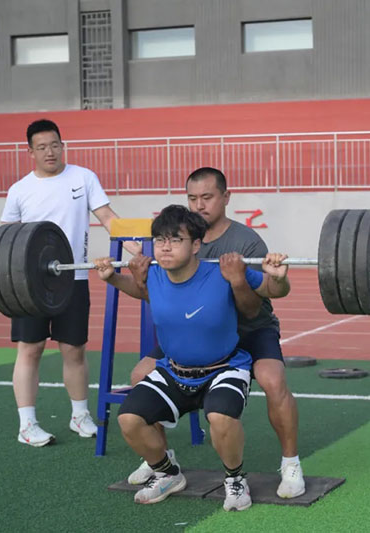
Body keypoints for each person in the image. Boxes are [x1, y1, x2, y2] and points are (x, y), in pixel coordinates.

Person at [93, 205, 291, 511]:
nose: (166, 247)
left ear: (196, 245)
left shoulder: (221, 272)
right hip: (174, 371)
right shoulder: (154, 275)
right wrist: (112, 278)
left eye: (175, 240)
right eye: (160, 240)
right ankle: (167, 473)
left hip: (223, 368)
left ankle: (235, 478)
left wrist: (277, 277)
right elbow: (145, 293)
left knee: (221, 417)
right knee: (129, 419)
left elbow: (273, 290)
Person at [128, 167, 306, 499]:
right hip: (196, 330)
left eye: (207, 197)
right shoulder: (175, 238)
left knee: (272, 379)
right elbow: (156, 292)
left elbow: (253, 308)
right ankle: (160, 464)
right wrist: (134, 276)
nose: (199, 205)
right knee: (140, 374)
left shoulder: (245, 241)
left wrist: (241, 279)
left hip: (249, 328)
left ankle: (291, 462)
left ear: (226, 197)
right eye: (192, 198)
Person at [0, 119, 141, 447]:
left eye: (55, 145)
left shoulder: (83, 177)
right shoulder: (19, 190)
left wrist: (140, 248)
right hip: (27, 284)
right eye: (42, 147)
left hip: (71, 279)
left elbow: (107, 218)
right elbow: (4, 239)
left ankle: (79, 415)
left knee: (73, 350)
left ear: (63, 145)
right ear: (30, 151)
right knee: (30, 349)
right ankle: (27, 424)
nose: (50, 152)